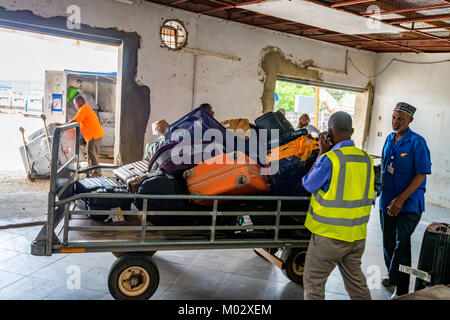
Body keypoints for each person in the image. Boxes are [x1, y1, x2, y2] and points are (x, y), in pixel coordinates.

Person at [301, 111, 374, 300]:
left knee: (313, 284)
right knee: (356, 284)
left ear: (329, 132)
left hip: (329, 236)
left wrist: (321, 152)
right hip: (356, 236)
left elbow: (308, 184)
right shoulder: (366, 159)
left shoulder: (330, 159)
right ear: (352, 131)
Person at [379, 102, 431, 298]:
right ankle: (393, 277)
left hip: (408, 204)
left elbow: (421, 174)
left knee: (402, 244)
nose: (395, 121)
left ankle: (401, 289)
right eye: (393, 117)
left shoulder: (417, 142)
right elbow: (385, 166)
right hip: (387, 200)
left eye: (400, 118)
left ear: (410, 120)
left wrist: (400, 200)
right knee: (388, 242)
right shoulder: (389, 139)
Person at [68, 95, 104, 177]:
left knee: (92, 154)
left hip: (93, 135)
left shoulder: (83, 109)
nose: (75, 106)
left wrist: (63, 126)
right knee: (90, 153)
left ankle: (97, 173)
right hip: (94, 135)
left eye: (75, 104)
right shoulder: (85, 108)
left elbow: (75, 121)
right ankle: (91, 170)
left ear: (78, 103)